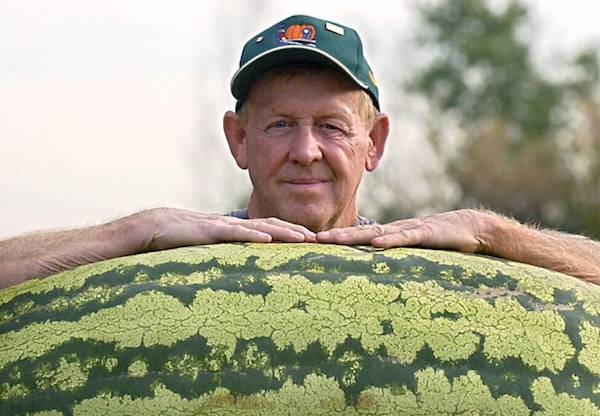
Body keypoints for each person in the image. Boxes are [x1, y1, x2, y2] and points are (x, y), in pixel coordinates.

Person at [2, 14, 600, 291]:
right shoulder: (164, 259)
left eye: (333, 127)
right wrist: (134, 230)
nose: (305, 151)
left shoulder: (432, 269)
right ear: (238, 140)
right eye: (280, 124)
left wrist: (491, 232)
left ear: (375, 143)